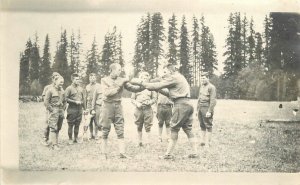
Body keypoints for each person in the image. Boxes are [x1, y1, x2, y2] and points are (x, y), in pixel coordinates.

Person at [130, 63, 198, 159]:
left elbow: (155, 86)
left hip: (180, 105)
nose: (163, 75)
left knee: (174, 129)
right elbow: (169, 93)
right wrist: (159, 89)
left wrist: (139, 82)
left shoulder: (173, 77)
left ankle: (168, 155)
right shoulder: (179, 77)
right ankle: (195, 153)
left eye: (165, 72)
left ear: (170, 71)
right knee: (188, 129)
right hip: (187, 104)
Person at [100, 63, 144, 159]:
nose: (120, 72)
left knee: (120, 130)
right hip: (107, 106)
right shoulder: (104, 80)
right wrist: (120, 84)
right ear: (112, 70)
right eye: (119, 70)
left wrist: (143, 86)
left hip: (118, 106)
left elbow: (132, 88)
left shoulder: (122, 79)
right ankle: (104, 154)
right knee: (105, 130)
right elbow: (108, 93)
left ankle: (122, 153)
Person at [131, 71, 157, 147]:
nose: (144, 79)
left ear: (148, 79)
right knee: (139, 125)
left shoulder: (151, 88)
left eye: (146, 78)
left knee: (148, 126)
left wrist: (150, 102)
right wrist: (137, 103)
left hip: (148, 109)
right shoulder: (136, 88)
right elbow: (132, 99)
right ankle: (139, 142)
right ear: (140, 79)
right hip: (138, 109)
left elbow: (155, 98)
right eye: (142, 78)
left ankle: (148, 143)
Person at [44, 76, 66, 150]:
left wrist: (63, 109)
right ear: (55, 81)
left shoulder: (63, 91)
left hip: (60, 111)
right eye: (60, 82)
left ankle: (56, 142)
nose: (61, 84)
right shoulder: (50, 90)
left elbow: (65, 101)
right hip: (54, 111)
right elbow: (46, 102)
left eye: (62, 82)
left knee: (58, 127)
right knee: (53, 127)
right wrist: (51, 109)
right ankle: (54, 145)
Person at [197, 72, 217, 148]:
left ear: (208, 78)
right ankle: (202, 141)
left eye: (204, 78)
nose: (202, 79)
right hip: (200, 108)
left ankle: (208, 143)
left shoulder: (212, 87)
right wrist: (197, 109)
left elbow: (213, 100)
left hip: (207, 107)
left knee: (208, 125)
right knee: (202, 125)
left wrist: (209, 111)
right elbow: (199, 98)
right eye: (201, 78)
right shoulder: (201, 86)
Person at [65, 73, 86, 144]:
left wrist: (85, 108)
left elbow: (83, 99)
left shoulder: (81, 88)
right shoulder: (69, 88)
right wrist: (74, 102)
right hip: (72, 109)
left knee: (77, 124)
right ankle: (70, 139)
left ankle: (76, 138)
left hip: (79, 109)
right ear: (72, 80)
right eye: (76, 79)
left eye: (78, 79)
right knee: (70, 124)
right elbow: (66, 98)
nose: (78, 80)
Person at [41, 72, 61, 145]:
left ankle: (54, 140)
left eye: (57, 76)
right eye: (54, 77)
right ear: (52, 78)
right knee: (47, 123)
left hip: (56, 109)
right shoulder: (48, 87)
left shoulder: (60, 87)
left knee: (55, 124)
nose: (56, 78)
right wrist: (49, 107)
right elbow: (44, 97)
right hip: (49, 108)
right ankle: (45, 139)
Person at [85, 73, 101, 140]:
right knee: (90, 121)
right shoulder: (87, 86)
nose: (92, 79)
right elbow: (85, 97)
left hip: (96, 105)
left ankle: (96, 134)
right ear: (89, 79)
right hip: (89, 106)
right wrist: (86, 107)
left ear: (96, 78)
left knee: (96, 121)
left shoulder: (99, 86)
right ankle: (91, 134)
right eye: (91, 78)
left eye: (94, 78)